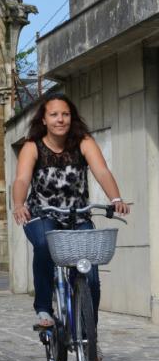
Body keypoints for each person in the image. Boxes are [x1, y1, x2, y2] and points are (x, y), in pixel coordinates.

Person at [12, 93, 130, 342]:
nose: (60, 119)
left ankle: (89, 337)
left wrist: (116, 199)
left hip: (77, 214)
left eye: (65, 114)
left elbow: (101, 170)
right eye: (54, 114)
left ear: (71, 117)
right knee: (44, 246)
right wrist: (18, 204)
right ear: (44, 119)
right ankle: (44, 308)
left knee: (91, 275)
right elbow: (22, 179)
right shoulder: (33, 146)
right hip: (41, 214)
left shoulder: (83, 142)